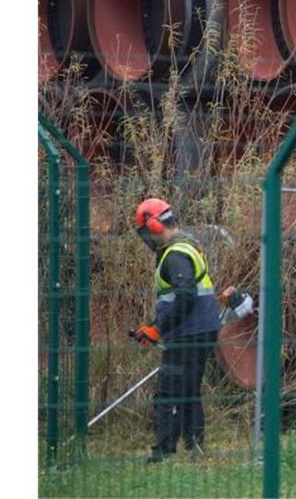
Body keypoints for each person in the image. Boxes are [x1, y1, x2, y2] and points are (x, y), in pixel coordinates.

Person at [131, 198, 221, 463]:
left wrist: (159, 328)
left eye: (147, 231)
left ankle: (165, 452)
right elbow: (174, 298)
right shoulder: (187, 246)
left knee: (169, 391)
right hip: (200, 329)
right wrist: (151, 326)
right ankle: (195, 447)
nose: (147, 238)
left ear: (156, 226)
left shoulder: (176, 255)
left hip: (190, 333)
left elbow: (184, 296)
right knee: (190, 389)